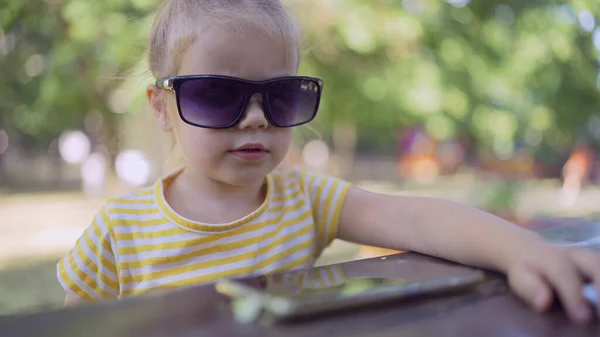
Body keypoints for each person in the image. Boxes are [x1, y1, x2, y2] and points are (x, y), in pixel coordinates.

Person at [57, 0, 600, 323]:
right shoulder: (119, 233)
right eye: (217, 95)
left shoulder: (304, 200)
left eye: (282, 95)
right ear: (163, 108)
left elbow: (414, 219)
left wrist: (519, 247)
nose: (254, 118)